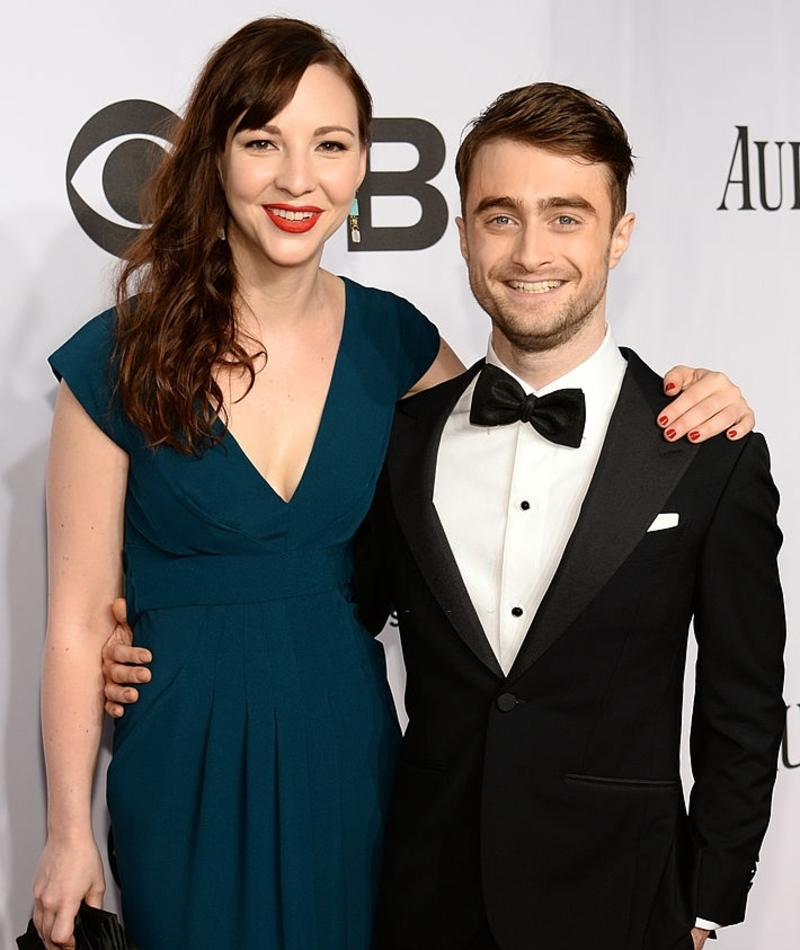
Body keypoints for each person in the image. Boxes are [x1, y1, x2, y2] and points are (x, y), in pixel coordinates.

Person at [93, 38, 757, 950]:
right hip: (417, 888)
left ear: (621, 234)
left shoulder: (700, 448)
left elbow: (742, 704)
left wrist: (708, 900)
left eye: (567, 217)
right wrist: (157, 629)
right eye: (500, 216)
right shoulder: (407, 432)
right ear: (461, 229)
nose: (531, 251)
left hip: (624, 897)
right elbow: (330, 593)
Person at [32, 17, 463, 950]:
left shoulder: (402, 345)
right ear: (215, 156)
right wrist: (69, 829)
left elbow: (530, 469)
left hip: (345, 747)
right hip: (180, 750)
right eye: (262, 141)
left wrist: (683, 399)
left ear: (362, 166)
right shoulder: (118, 358)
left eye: (331, 145)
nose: (298, 178)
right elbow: (74, 620)